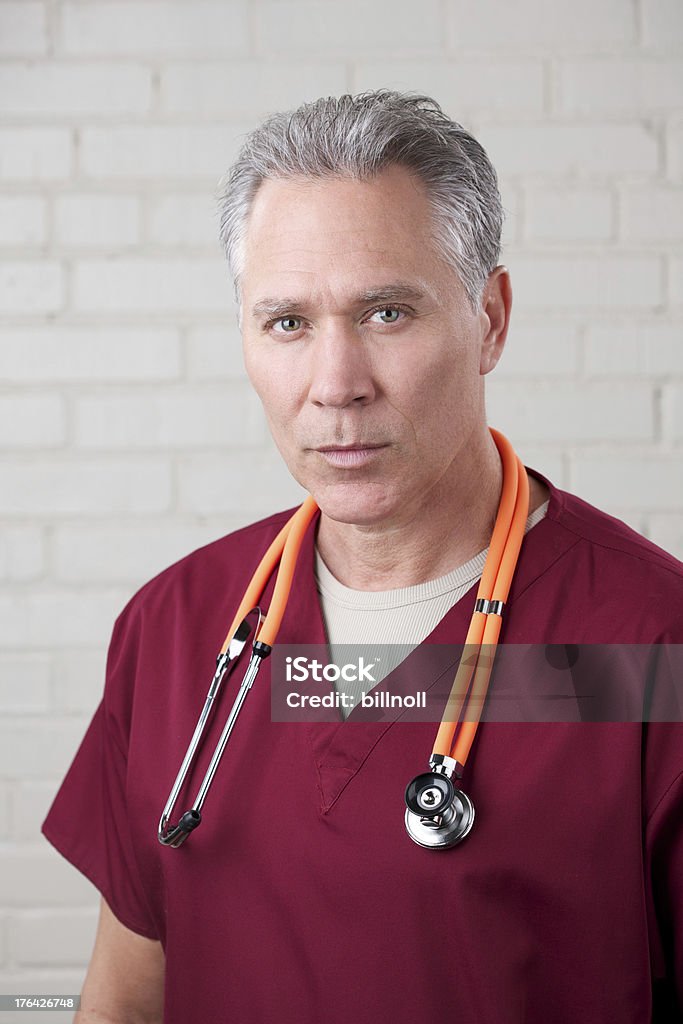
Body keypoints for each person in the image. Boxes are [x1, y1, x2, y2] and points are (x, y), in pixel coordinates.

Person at [42, 90, 682, 1023]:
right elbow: (126, 1002)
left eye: (386, 313)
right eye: (287, 323)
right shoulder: (176, 627)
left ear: (490, 321)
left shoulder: (645, 652)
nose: (335, 386)